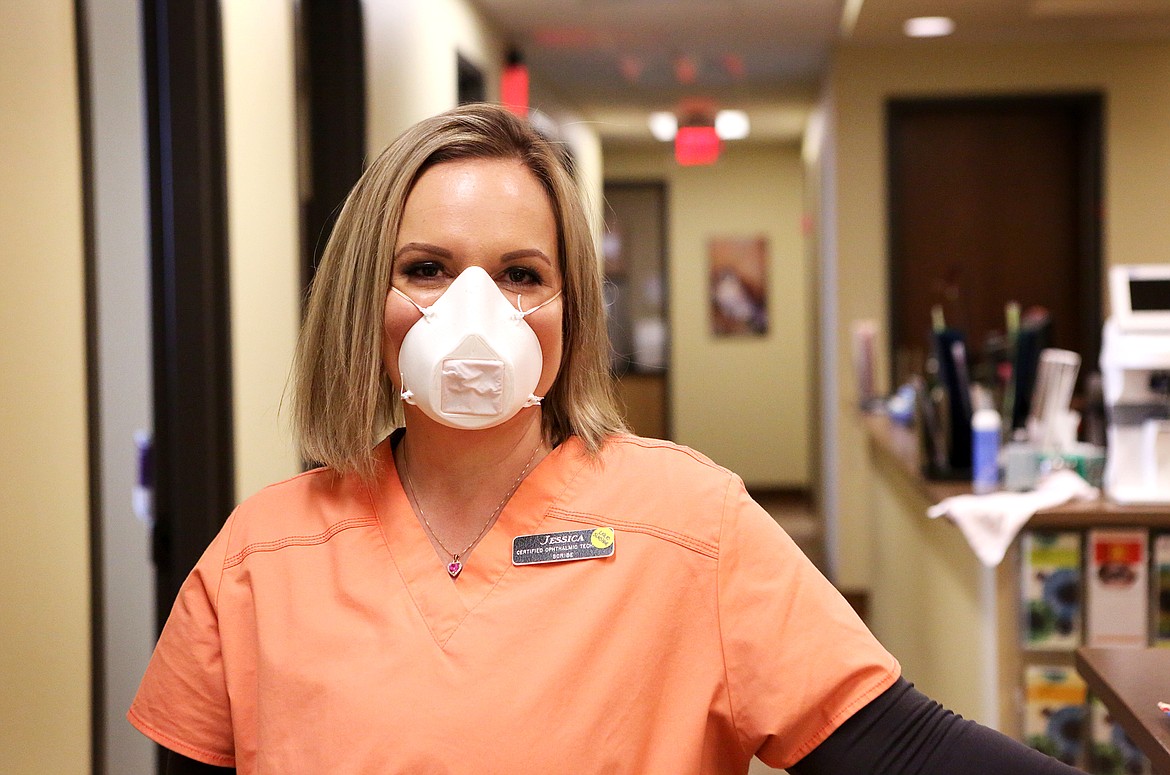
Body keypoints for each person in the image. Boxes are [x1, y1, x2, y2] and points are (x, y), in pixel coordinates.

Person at [130, 103, 1082, 774]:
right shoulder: (258, 558)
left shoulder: (692, 526)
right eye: (425, 267)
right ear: (358, 302)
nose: (476, 312)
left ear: (569, 311)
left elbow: (896, 746)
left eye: (520, 273)